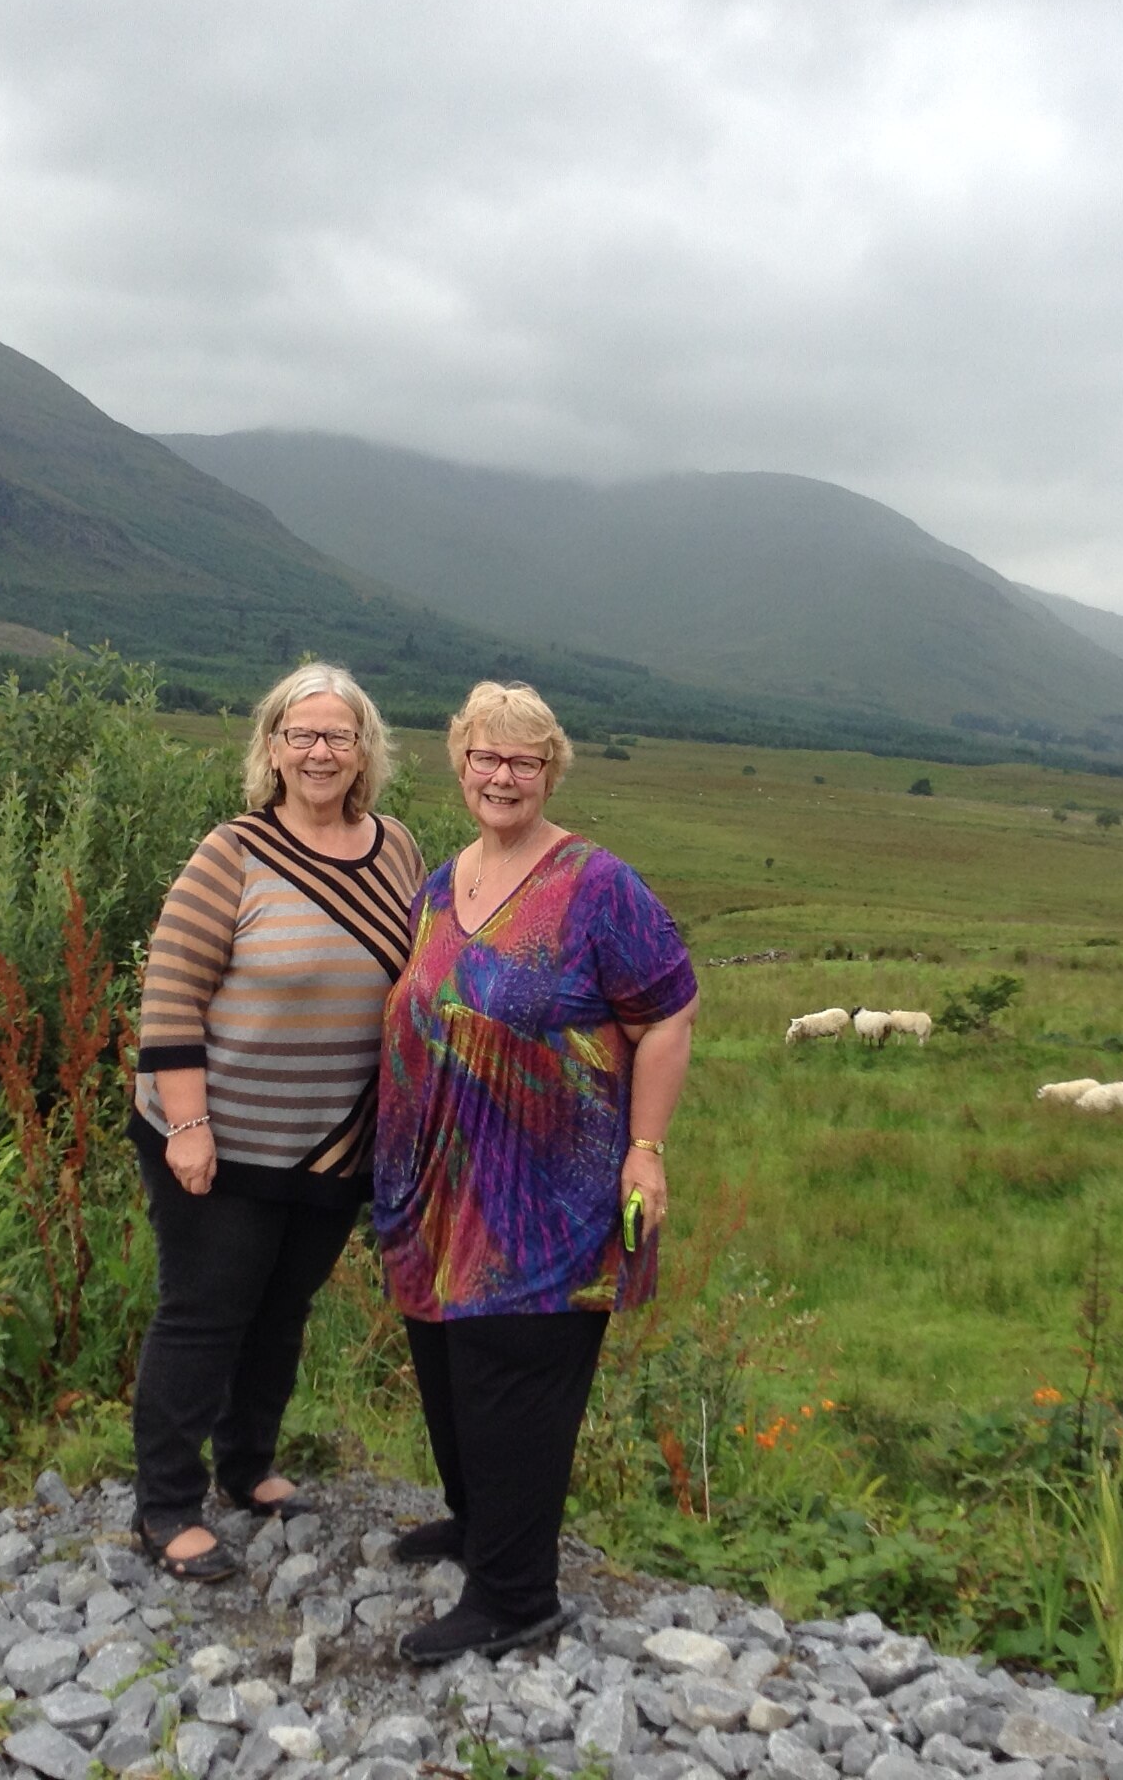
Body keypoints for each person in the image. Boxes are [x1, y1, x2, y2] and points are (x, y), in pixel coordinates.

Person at [374, 681, 699, 1661]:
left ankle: (517, 1595)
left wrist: (645, 1149)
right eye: (484, 756)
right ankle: (478, 1529)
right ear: (460, 762)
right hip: (435, 1196)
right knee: (446, 1371)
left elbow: (669, 1012)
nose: (501, 775)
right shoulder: (444, 880)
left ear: (548, 768)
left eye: (521, 759)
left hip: (544, 1200)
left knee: (513, 1383)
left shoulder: (597, 884)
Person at [126, 662, 423, 1580]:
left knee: (281, 1312)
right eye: (302, 735)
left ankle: (246, 1466)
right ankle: (165, 1505)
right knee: (206, 1314)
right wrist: (186, 1127)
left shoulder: (399, 847)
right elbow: (171, 992)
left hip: (336, 1144)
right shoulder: (234, 852)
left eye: (339, 735)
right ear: (273, 749)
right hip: (219, 1136)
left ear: (365, 750)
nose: (321, 751)